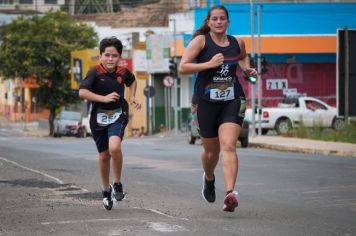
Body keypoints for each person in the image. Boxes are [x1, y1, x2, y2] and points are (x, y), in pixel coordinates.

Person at [178, 5, 257, 212]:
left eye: (223, 18)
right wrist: (209, 64)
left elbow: (242, 58)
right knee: (211, 153)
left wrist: (248, 71)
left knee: (229, 145)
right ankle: (209, 177)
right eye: (215, 19)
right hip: (205, 102)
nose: (219, 22)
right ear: (209, 22)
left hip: (232, 98)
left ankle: (230, 193)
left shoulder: (237, 42)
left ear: (228, 21)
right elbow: (183, 66)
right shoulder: (201, 41)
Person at [79, 37, 141, 210]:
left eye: (114, 55)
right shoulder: (94, 72)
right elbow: (82, 92)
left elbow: (132, 81)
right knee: (104, 155)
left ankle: (118, 182)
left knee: (115, 147)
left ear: (119, 57)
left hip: (119, 114)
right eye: (107, 55)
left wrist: (133, 96)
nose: (110, 59)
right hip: (98, 118)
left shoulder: (123, 72)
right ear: (101, 56)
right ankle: (106, 190)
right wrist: (103, 99)